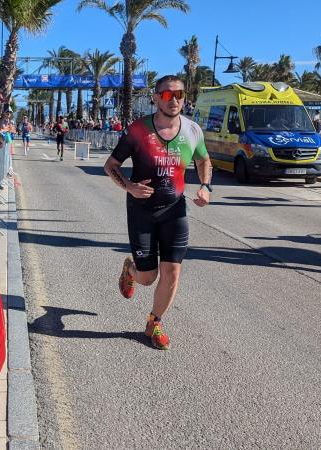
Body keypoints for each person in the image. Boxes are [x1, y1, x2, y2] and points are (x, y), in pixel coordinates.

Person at [103, 75, 212, 350]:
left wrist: (205, 186)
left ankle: (155, 321)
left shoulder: (192, 130)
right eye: (166, 95)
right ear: (155, 98)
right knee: (148, 277)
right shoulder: (138, 130)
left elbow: (203, 159)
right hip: (142, 212)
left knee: (173, 272)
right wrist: (129, 186)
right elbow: (111, 165)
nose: (173, 100)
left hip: (175, 211)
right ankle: (130, 269)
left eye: (179, 94)